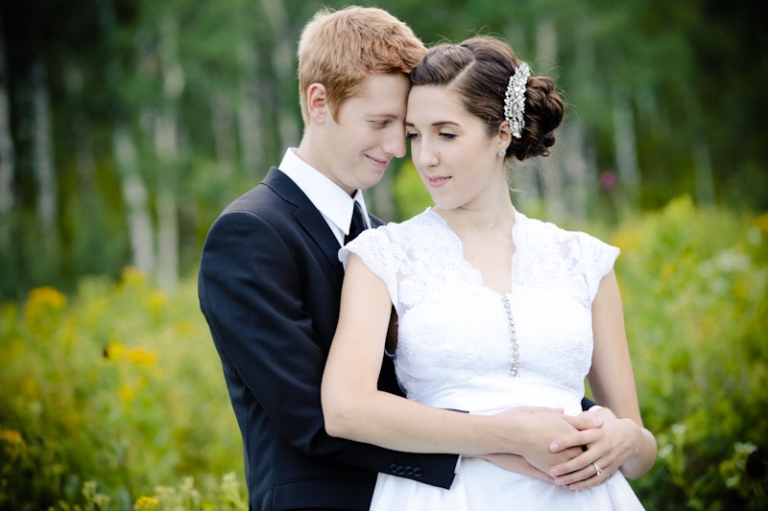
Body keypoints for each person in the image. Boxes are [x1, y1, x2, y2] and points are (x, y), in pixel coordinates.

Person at [199, 8, 606, 510]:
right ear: (319, 102)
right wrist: (497, 443)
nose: (398, 149)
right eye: (383, 123)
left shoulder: (383, 240)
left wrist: (577, 422)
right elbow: (311, 415)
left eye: (405, 127)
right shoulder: (250, 233)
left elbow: (449, 369)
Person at [321, 35, 657, 509]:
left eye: (447, 134)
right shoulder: (383, 255)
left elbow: (640, 452)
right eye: (416, 134)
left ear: (501, 134)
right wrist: (507, 434)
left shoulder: (583, 259)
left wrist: (626, 439)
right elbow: (345, 410)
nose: (425, 157)